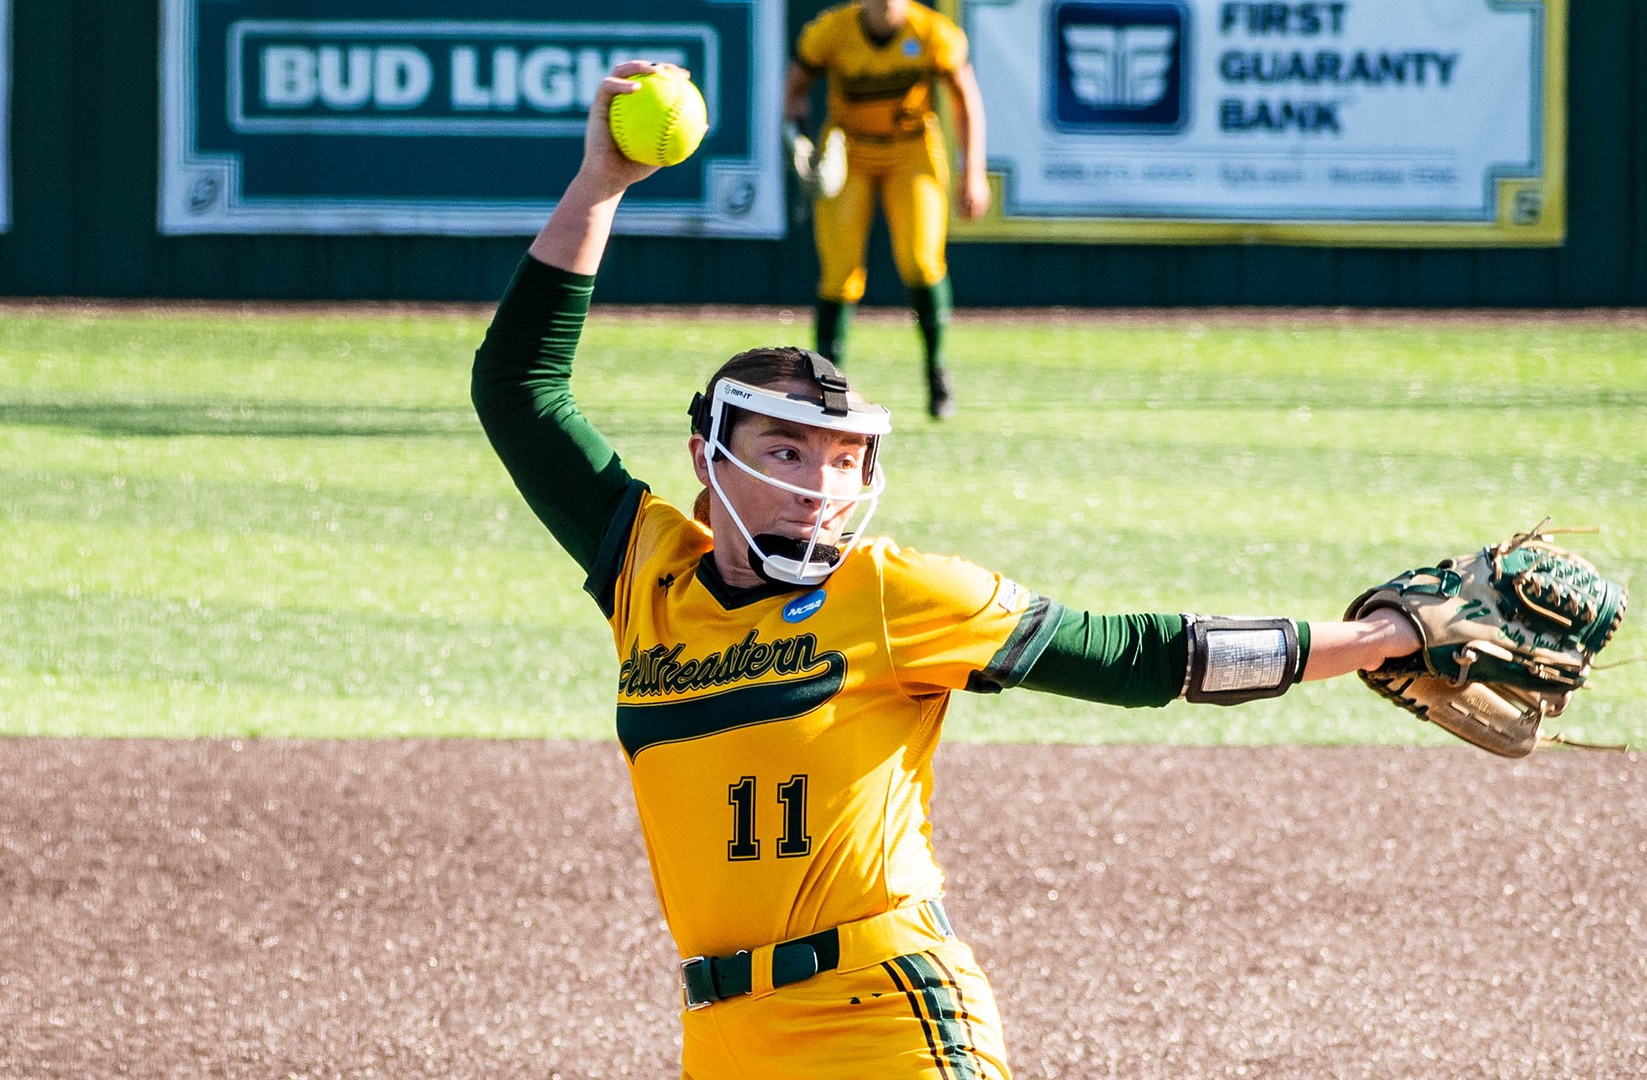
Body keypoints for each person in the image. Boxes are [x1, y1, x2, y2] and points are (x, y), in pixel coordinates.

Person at [471, 62, 1421, 1080]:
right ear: (709, 457)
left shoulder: (889, 594)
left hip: (885, 1015)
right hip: (722, 1039)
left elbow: (1132, 656)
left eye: (844, 462)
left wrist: (1374, 640)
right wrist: (601, 184)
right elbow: (517, 391)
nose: (820, 488)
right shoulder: (649, 577)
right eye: (786, 451)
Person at [784, 0, 990, 419]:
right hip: (850, 148)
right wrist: (798, 136)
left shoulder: (930, 31)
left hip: (910, 148)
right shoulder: (833, 31)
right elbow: (795, 88)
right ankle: (825, 384)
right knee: (840, 272)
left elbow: (965, 98)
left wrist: (973, 171)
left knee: (921, 261)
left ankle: (936, 369)